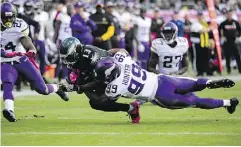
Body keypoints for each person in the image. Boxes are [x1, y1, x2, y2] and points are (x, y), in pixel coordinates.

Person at [94, 50, 239, 124]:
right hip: (164, 80)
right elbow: (119, 51)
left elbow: (107, 99)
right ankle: (209, 83)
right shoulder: (123, 60)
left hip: (160, 96)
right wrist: (106, 54)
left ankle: (228, 103)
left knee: (196, 102)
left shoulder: (115, 86)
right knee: (194, 83)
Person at [0, 2, 68, 122]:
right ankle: (9, 110)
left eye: (10, 17)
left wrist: (31, 48)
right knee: (7, 83)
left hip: (21, 60)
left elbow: (25, 39)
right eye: (5, 17)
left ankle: (58, 88)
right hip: (6, 61)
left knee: (42, 90)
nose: (8, 19)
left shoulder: (20, 24)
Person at [57, 37, 140, 123]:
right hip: (102, 76)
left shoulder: (91, 57)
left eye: (68, 57)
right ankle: (131, 108)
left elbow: (98, 80)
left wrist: (79, 87)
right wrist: (61, 88)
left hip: (115, 77)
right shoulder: (79, 58)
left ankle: (134, 105)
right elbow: (73, 80)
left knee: (98, 101)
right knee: (95, 102)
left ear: (75, 52)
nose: (66, 61)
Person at [219, 9, 241, 74]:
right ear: (226, 15)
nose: (229, 16)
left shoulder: (235, 22)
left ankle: (240, 69)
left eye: (230, 14)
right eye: (228, 14)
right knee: (227, 56)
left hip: (234, 41)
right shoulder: (223, 23)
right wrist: (222, 37)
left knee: (237, 55)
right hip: (226, 42)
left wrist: (238, 36)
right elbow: (219, 30)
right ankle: (228, 70)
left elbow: (239, 30)